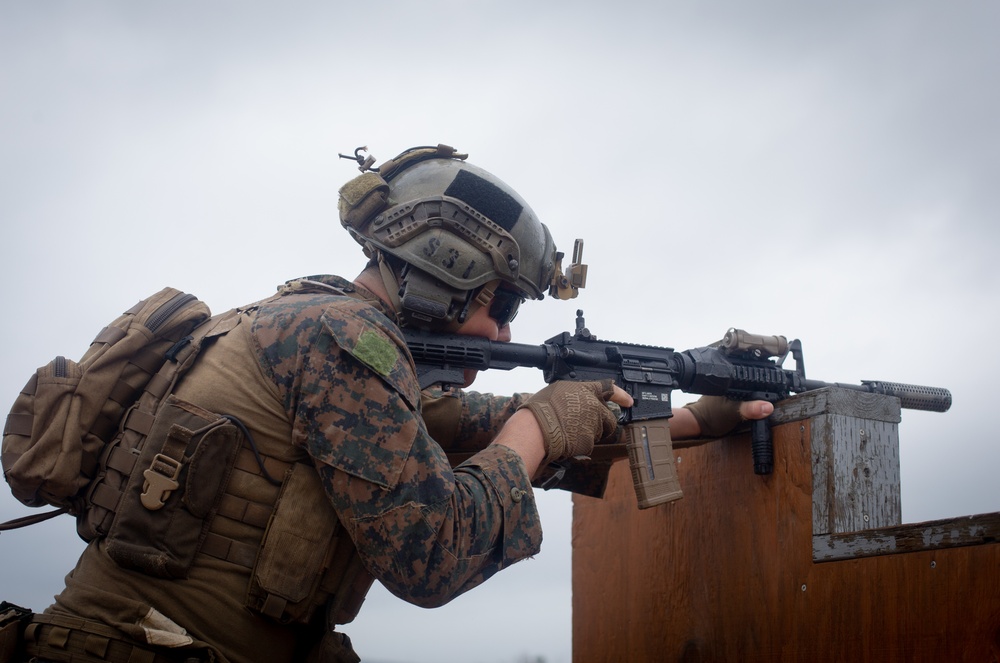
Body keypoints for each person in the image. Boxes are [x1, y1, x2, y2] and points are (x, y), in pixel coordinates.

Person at [7, 144, 772, 663]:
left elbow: (479, 425)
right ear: (446, 270)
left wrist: (696, 417)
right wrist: (538, 429)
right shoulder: (345, 342)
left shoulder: (303, 317)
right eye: (500, 304)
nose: (505, 331)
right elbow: (432, 552)